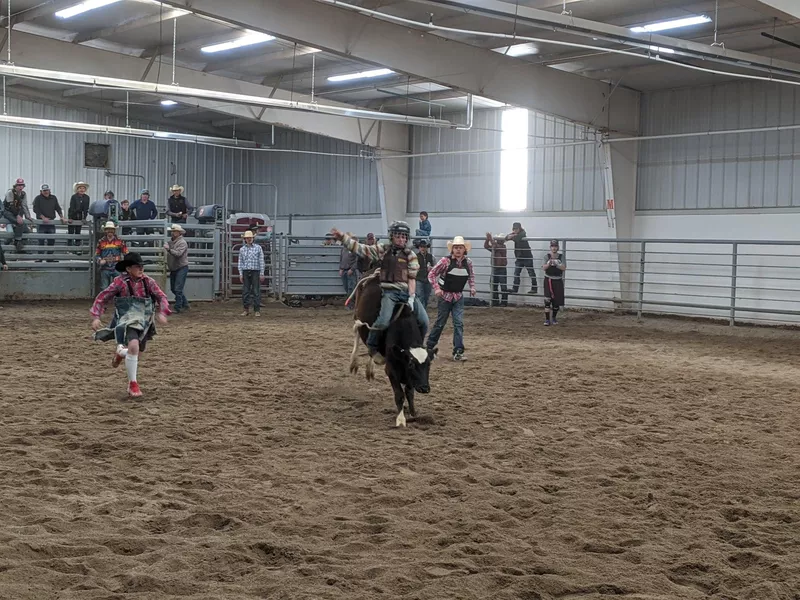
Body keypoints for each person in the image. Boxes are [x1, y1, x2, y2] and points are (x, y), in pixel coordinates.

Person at [330, 221, 429, 364]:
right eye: (398, 236)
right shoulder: (383, 250)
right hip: (390, 293)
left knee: (424, 321)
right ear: (392, 237)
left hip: (407, 292)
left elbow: (412, 278)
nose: (401, 239)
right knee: (382, 321)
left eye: (404, 237)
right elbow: (361, 249)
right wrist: (343, 238)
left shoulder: (411, 255)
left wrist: (412, 297)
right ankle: (372, 346)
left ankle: (418, 346)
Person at [90, 252, 170, 398]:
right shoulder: (119, 282)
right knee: (134, 346)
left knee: (136, 353)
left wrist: (163, 312)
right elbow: (102, 297)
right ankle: (133, 384)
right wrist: (96, 316)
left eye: (141, 266)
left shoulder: (149, 282)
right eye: (137, 266)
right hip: (126, 321)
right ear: (128, 269)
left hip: (144, 322)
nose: (141, 269)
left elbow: (161, 297)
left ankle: (121, 352)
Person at [426, 236, 476, 362]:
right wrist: (437, 288)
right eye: (456, 247)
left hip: (458, 296)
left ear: (464, 249)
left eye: (460, 247)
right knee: (440, 323)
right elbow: (432, 274)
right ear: (452, 249)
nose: (458, 250)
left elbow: (471, 276)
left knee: (458, 323)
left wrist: (472, 287)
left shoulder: (468, 262)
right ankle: (429, 348)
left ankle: (458, 351)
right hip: (445, 296)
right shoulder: (445, 261)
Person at [33, 184, 65, 258]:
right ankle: (40, 258)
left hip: (51, 222)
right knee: (41, 240)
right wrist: (43, 217)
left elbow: (58, 208)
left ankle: (50, 258)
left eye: (47, 190)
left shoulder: (53, 198)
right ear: (41, 191)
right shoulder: (38, 198)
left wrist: (62, 217)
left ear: (49, 190)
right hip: (41, 223)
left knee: (51, 240)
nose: (46, 192)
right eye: (44, 191)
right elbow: (36, 209)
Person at [164, 223, 190, 313]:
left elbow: (178, 254)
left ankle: (178, 307)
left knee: (177, 289)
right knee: (174, 288)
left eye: (175, 231)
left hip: (181, 267)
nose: (173, 233)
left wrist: (168, 249)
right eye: (173, 231)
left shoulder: (182, 242)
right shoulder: (172, 242)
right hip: (176, 267)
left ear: (179, 233)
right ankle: (185, 304)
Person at [506, 222, 538, 295]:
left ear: (519, 228)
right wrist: (510, 236)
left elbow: (517, 238)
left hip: (527, 257)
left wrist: (511, 236)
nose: (515, 230)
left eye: (516, 229)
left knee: (531, 273)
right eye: (514, 229)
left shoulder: (523, 233)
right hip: (520, 257)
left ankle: (534, 288)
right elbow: (506, 237)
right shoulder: (516, 234)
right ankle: (515, 288)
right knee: (516, 273)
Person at [3, 178, 34, 253]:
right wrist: (18, 216)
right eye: (19, 185)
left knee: (26, 231)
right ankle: (16, 241)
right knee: (19, 223)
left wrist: (27, 216)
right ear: (15, 186)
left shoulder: (23, 194)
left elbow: (24, 205)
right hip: (8, 212)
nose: (20, 187)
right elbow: (11, 206)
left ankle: (18, 246)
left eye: (22, 185)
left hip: (16, 212)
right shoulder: (10, 192)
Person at [95, 221, 129, 290]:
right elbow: (97, 254)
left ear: (114, 230)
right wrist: (100, 260)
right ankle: (106, 300)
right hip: (105, 268)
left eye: (111, 229)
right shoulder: (101, 241)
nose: (110, 231)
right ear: (105, 230)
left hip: (116, 267)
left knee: (119, 287)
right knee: (104, 288)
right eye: (108, 229)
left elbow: (126, 253)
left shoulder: (119, 241)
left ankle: (118, 300)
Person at [238, 230, 265, 317]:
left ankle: (256, 310)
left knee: (255, 291)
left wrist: (262, 273)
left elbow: (261, 261)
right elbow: (240, 262)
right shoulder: (242, 249)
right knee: (246, 291)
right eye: (247, 238)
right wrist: (241, 273)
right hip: (246, 270)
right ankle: (247, 309)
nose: (249, 239)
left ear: (253, 238)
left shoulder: (258, 248)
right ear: (245, 239)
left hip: (255, 271)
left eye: (250, 238)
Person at [543, 239, 567, 326]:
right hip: (549, 279)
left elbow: (564, 268)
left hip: (558, 280)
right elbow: (544, 268)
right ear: (550, 247)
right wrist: (549, 264)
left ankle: (554, 317)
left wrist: (557, 264)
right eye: (552, 246)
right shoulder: (547, 256)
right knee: (547, 300)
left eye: (555, 246)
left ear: (558, 247)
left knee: (556, 301)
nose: (554, 248)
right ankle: (547, 319)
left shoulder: (561, 257)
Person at [484, 232, 509, 307]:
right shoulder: (496, 247)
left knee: (503, 286)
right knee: (493, 285)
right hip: (495, 268)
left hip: (501, 269)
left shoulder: (502, 247)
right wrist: (488, 239)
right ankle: (496, 301)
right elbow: (486, 246)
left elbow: (493, 245)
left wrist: (490, 238)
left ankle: (503, 302)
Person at [67, 181, 90, 249]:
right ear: (77, 189)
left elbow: (86, 208)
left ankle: (77, 247)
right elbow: (72, 207)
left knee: (78, 231)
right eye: (80, 188)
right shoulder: (74, 197)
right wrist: (70, 217)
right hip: (73, 214)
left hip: (80, 215)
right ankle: (69, 247)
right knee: (71, 231)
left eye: (83, 188)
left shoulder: (87, 197)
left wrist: (84, 217)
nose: (82, 189)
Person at [414, 238, 435, 309]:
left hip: (428, 280)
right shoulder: (415, 257)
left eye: (424, 247)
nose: (423, 248)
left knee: (426, 297)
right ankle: (422, 312)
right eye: (421, 247)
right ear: (419, 248)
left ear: (427, 248)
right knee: (420, 296)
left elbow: (435, 268)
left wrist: (432, 269)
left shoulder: (431, 257)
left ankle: (422, 311)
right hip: (418, 279)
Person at [338, 236, 359, 307]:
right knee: (346, 287)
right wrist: (341, 268)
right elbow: (341, 259)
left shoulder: (355, 250)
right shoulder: (344, 248)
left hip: (351, 271)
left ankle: (350, 304)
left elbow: (357, 261)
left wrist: (352, 269)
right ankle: (351, 302)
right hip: (344, 270)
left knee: (351, 288)